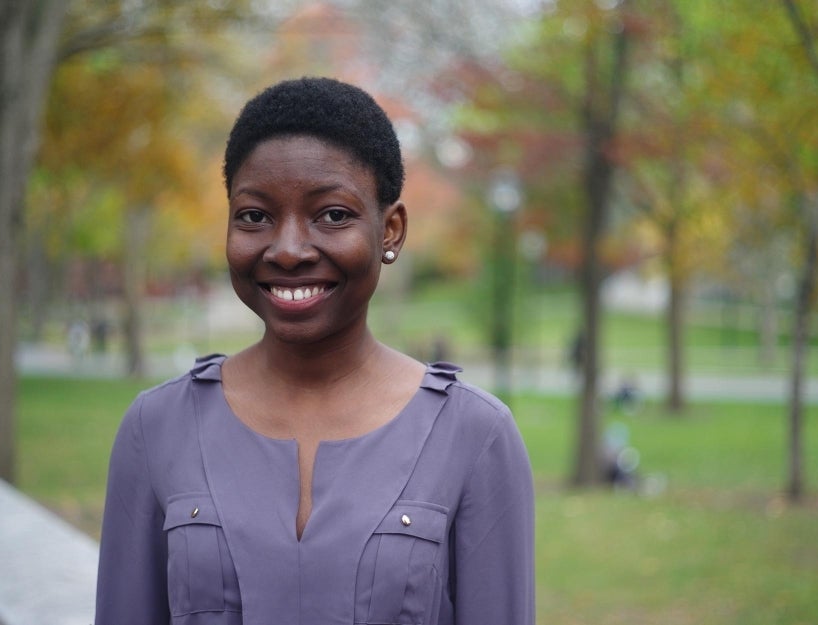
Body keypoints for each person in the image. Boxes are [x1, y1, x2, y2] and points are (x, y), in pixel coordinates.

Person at [94, 77, 535, 625]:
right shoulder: (156, 427)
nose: (288, 250)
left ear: (390, 230)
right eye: (255, 216)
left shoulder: (474, 434)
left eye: (332, 215)